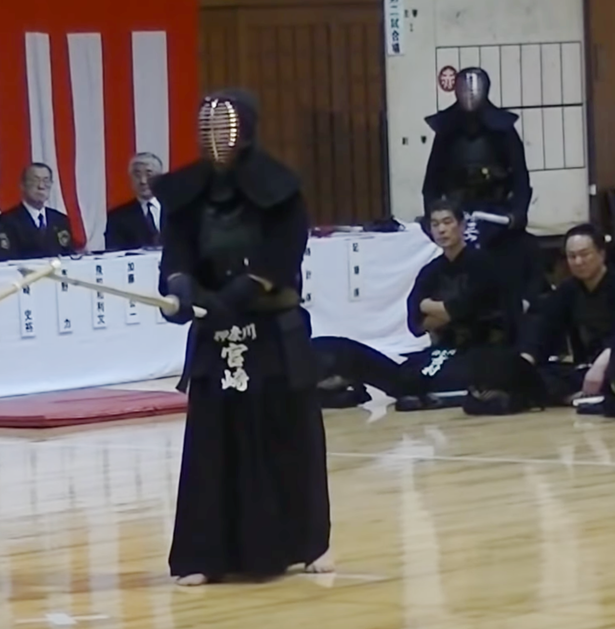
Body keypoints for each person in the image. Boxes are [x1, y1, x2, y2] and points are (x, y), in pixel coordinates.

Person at [154, 89, 332, 585]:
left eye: (226, 127)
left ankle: (306, 541)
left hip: (272, 331)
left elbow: (282, 255)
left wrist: (243, 289)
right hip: (216, 333)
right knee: (213, 442)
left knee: (287, 437)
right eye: (206, 126)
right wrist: (181, 286)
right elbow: (177, 253)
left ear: (246, 130)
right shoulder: (187, 194)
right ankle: (204, 553)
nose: (216, 138)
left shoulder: (279, 189)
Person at [314, 200, 518, 411]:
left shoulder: (483, 263)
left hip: (482, 350)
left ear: (462, 225)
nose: (441, 229)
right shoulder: (430, 271)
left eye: (447, 222)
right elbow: (416, 323)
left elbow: (462, 309)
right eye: (435, 224)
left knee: (424, 382)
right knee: (350, 353)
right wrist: (443, 311)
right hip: (442, 350)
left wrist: (429, 306)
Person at [422, 66, 546, 310]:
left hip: (495, 214)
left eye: (474, 90)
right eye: (463, 90)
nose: (469, 96)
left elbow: (520, 178)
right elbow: (432, 182)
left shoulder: (503, 131)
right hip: (459, 213)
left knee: (517, 255)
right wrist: (432, 217)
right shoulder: (446, 132)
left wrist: (516, 214)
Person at [520, 224, 615, 407]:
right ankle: (584, 396)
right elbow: (545, 328)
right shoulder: (568, 290)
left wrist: (604, 362)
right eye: (572, 256)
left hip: (609, 364)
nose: (578, 262)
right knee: (535, 377)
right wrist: (526, 360)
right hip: (585, 369)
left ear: (601, 254)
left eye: (584, 254)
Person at [0, 162, 75, 259]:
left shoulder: (61, 220)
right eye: (35, 180)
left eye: (46, 181)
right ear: (22, 185)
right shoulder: (6, 221)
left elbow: (69, 255)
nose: (41, 186)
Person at [104, 152, 164, 251]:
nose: (143, 181)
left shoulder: (177, 210)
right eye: (137, 175)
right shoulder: (117, 217)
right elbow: (114, 254)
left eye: (149, 174)